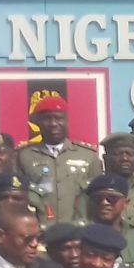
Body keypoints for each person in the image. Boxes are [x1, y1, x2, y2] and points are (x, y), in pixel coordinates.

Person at [14, 95, 103, 223]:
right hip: (40, 229)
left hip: (79, 230)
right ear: (38, 122)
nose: (53, 124)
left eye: (58, 118)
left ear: (67, 120)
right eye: (47, 119)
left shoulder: (88, 156)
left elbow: (98, 197)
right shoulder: (24, 156)